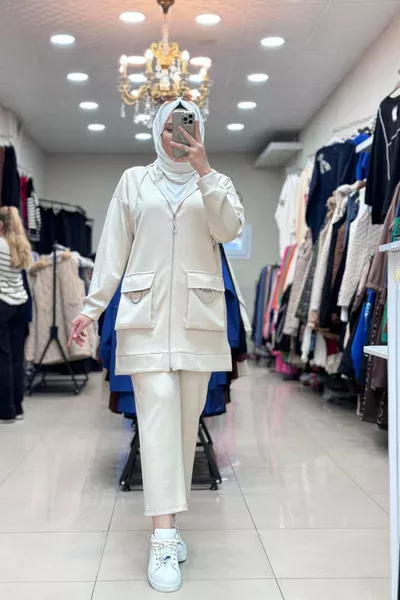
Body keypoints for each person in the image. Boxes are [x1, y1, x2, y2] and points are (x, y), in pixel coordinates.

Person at [69, 98, 244, 593]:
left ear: (199, 131)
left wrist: (204, 172)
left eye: (186, 127)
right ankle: (162, 538)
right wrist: (91, 307)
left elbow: (228, 230)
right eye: (169, 128)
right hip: (143, 318)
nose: (177, 136)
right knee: (158, 417)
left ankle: (171, 523)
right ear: (156, 132)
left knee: (184, 428)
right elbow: (112, 250)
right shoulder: (133, 181)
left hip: (197, 320)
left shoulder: (218, 182)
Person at [0, 206, 32, 424]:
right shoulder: (21, 246)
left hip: (2, 304)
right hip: (20, 304)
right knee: (17, 359)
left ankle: (6, 411)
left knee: (3, 357)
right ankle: (17, 406)